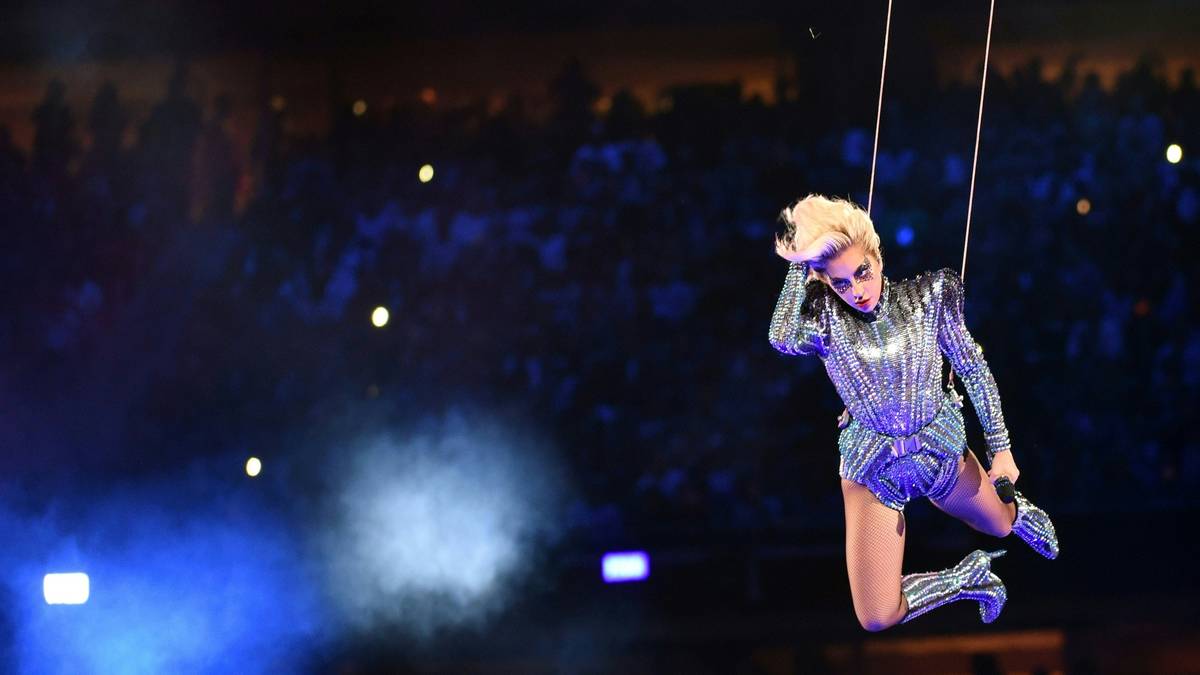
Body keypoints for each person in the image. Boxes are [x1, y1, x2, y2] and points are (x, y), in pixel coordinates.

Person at [768, 194, 1059, 631]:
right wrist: (800, 260)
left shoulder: (930, 297)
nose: (858, 291)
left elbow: (974, 371)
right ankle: (967, 579)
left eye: (861, 272)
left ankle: (1019, 514)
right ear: (823, 281)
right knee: (876, 616)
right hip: (873, 470)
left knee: (999, 526)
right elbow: (781, 335)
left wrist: (1001, 450)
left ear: (877, 254)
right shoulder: (827, 321)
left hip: (938, 450)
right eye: (841, 283)